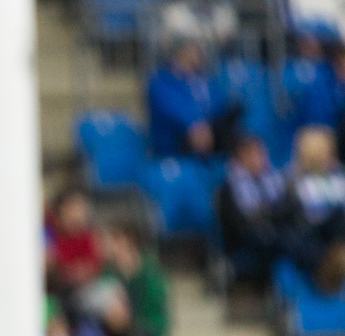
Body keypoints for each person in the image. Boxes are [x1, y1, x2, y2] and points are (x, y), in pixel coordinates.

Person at [278, 125, 345, 291]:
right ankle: (330, 265)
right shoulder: (292, 181)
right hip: (311, 240)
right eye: (327, 151)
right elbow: (294, 223)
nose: (332, 156)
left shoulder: (338, 177)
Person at [146, 37, 238, 157]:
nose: (200, 53)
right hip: (176, 145)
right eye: (195, 48)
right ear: (181, 51)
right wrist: (195, 125)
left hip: (212, 138)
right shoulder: (161, 80)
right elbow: (172, 108)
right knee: (198, 135)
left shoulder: (206, 80)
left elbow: (220, 105)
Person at [215, 132, 286, 283]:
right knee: (284, 243)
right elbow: (235, 224)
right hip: (246, 243)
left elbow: (283, 210)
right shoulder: (228, 188)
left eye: (262, 154)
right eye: (256, 154)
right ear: (242, 156)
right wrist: (264, 214)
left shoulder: (273, 181)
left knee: (290, 239)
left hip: (272, 236)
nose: (262, 159)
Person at [97, 219, 172, 336]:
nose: (108, 245)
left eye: (114, 240)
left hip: (147, 327)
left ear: (128, 241)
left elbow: (155, 304)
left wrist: (132, 320)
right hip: (117, 332)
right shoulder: (107, 272)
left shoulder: (150, 269)